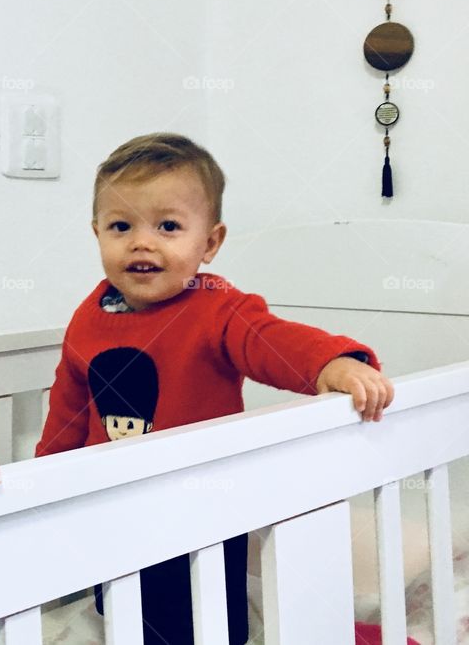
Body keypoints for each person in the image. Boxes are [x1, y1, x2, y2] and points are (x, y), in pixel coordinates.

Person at [35, 133, 395, 645]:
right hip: (114, 502)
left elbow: (271, 342)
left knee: (207, 617)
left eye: (168, 226)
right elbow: (69, 405)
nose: (142, 242)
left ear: (209, 242)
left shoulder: (216, 309)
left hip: (203, 503)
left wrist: (330, 365)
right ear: (97, 234)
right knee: (121, 607)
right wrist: (43, 476)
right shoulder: (88, 318)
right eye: (121, 226)